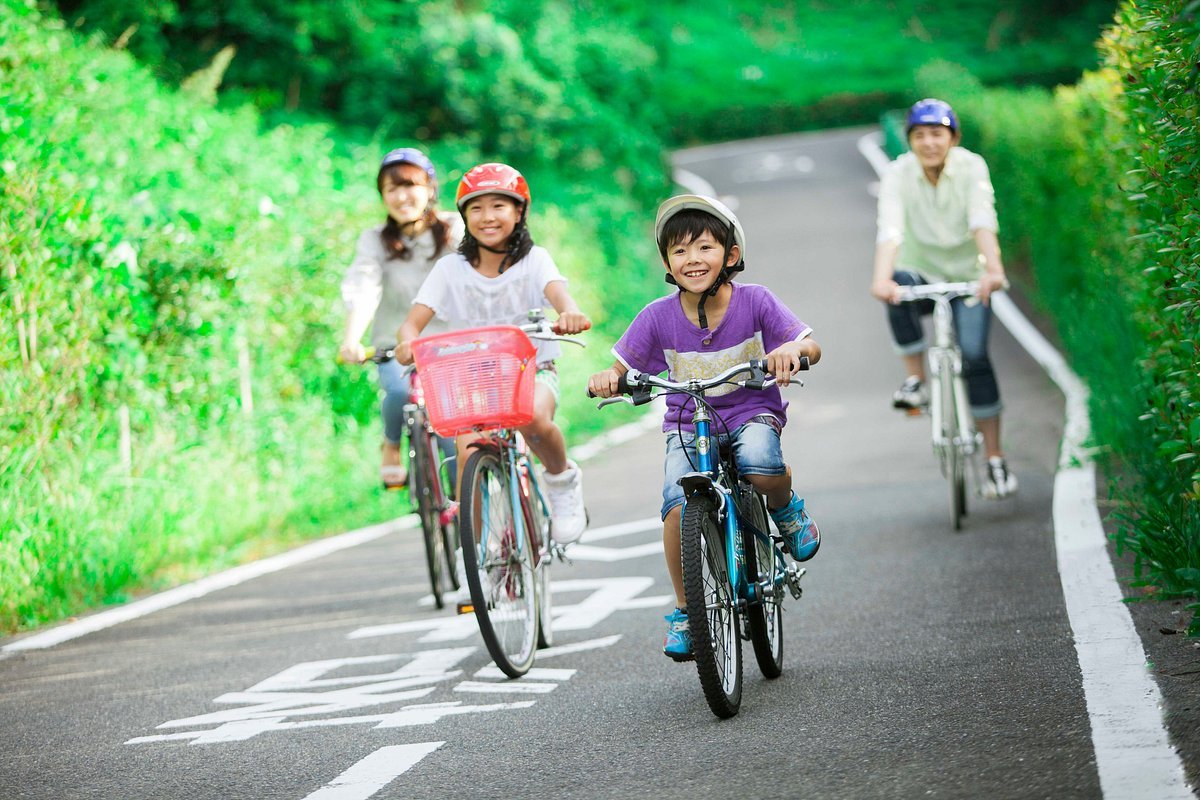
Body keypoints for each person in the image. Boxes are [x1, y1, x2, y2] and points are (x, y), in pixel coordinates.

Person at [587, 194, 821, 661]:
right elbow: (619, 367)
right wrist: (608, 379)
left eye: (704, 248)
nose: (692, 259)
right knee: (676, 506)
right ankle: (686, 610)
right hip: (689, 424)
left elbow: (810, 345)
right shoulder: (656, 316)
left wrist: (792, 353)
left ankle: (785, 506)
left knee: (758, 460)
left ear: (730, 255)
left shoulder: (755, 301)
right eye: (679, 252)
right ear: (667, 263)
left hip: (750, 409)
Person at [396, 162, 590, 544]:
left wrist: (569, 313)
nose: (487, 217)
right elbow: (412, 324)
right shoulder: (450, 269)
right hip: (474, 377)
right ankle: (482, 555)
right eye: (476, 208)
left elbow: (559, 295)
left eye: (499, 206)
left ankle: (562, 480)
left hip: (532, 369)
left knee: (533, 417)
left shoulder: (535, 261)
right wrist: (407, 342)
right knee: (467, 454)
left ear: (519, 212)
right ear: (464, 216)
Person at [870, 98, 1018, 499]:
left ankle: (994, 458)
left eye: (937, 133)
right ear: (910, 141)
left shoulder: (972, 167)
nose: (929, 142)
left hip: (969, 278)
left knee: (975, 356)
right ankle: (915, 380)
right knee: (896, 284)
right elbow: (890, 228)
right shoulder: (898, 173)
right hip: (921, 273)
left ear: (953, 137)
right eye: (920, 135)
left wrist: (993, 270)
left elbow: (981, 219)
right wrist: (880, 279)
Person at [339, 147, 462, 489]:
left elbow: (480, 273)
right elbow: (364, 286)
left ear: (430, 189)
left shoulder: (454, 229)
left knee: (455, 436)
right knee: (398, 390)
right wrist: (352, 339)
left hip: (453, 345)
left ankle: (463, 512)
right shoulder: (376, 240)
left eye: (410, 185)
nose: (401, 196)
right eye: (391, 189)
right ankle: (391, 445)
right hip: (397, 346)